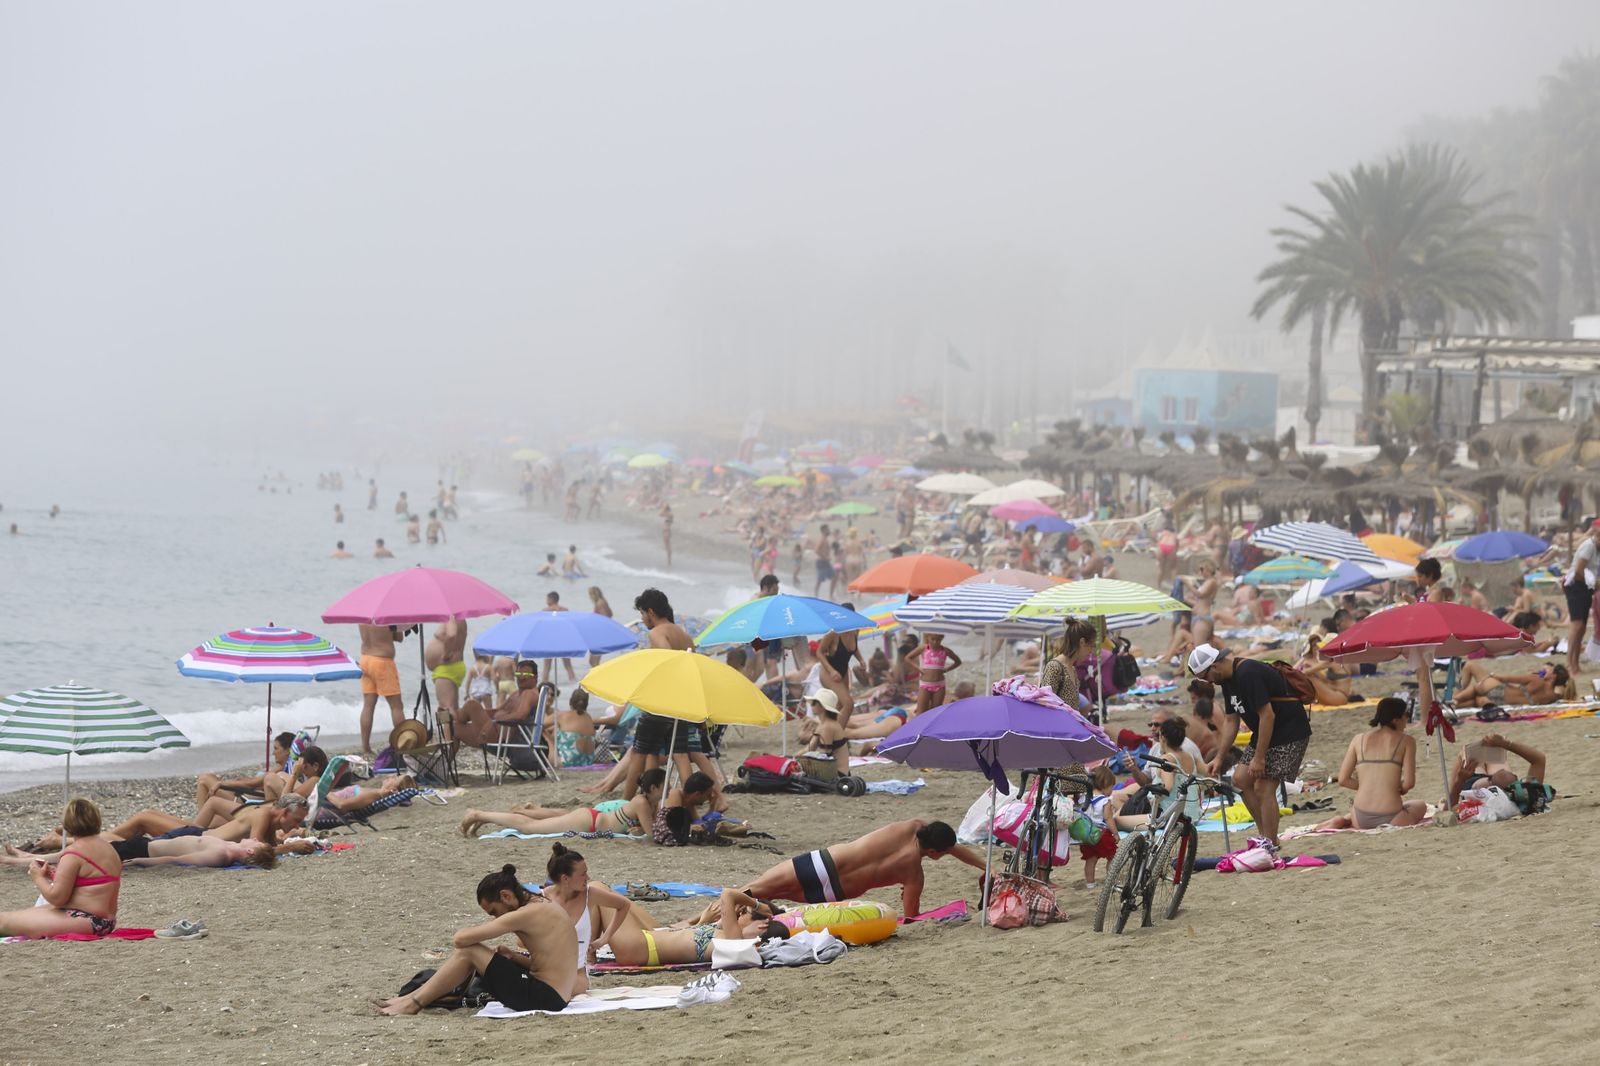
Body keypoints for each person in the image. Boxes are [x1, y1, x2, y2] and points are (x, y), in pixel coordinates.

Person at [375, 865, 577, 1015]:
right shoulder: (542, 903)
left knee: (469, 950)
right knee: (474, 951)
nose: (497, 918)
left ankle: (412, 1003)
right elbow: (550, 964)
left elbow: (460, 939)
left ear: (505, 895)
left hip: (545, 997)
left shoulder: (527, 913)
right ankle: (407, 999)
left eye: (494, 912)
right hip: (555, 995)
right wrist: (514, 957)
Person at [1189, 643, 1311, 854]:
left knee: (1264, 787)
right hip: (1267, 732)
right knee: (1240, 780)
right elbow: (1231, 721)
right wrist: (1219, 757)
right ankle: (1266, 836)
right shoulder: (1227, 681)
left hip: (1289, 732)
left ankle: (1270, 844)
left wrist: (1259, 758)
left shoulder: (1248, 673)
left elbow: (1267, 715)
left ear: (1215, 665)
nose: (1207, 682)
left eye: (1205, 676)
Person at [741, 819, 987, 918]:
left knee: (749, 891)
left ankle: (702, 921)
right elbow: (911, 917)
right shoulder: (913, 875)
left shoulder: (912, 825)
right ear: (934, 852)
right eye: (943, 853)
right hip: (832, 893)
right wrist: (986, 867)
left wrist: (986, 866)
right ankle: (705, 922)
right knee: (764, 898)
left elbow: (948, 844)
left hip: (822, 863)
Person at [0, 799, 122, 938]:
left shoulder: (74, 853)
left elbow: (57, 899)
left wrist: (38, 877)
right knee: (16, 916)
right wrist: (54, 876)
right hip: (107, 922)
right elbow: (92, 882)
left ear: (67, 826)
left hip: (87, 920)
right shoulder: (109, 849)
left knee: (3, 922)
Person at [1312, 698, 1426, 831]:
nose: (1408, 719)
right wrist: (1398, 787)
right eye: (1406, 714)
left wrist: (1368, 785)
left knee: (1358, 811)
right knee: (1420, 805)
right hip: (1392, 817)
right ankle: (1345, 820)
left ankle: (1344, 820)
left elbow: (1343, 780)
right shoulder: (1407, 741)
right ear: (1396, 720)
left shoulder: (1358, 739)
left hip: (1360, 817)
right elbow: (1409, 783)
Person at [608, 887, 787, 968]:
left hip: (640, 947)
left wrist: (755, 905)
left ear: (763, 924)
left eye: (743, 914)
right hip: (644, 943)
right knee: (610, 895)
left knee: (598, 890)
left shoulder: (737, 943)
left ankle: (588, 958)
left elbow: (727, 894)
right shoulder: (728, 938)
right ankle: (588, 957)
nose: (738, 915)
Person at [459, 768, 663, 838]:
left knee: (531, 826)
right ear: (653, 788)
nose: (668, 790)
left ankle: (484, 817)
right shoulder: (642, 803)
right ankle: (478, 814)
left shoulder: (644, 802)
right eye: (665, 786)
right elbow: (651, 836)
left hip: (590, 819)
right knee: (529, 828)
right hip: (588, 822)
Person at [538, 844, 634, 992]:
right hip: (545, 973)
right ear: (565, 878)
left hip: (577, 976)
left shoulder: (590, 895)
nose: (588, 878)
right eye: (583, 874)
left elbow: (624, 905)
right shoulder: (542, 898)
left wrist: (604, 939)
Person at [3, 833, 276, 871]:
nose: (253, 837)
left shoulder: (222, 856)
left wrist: (140, 862)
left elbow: (178, 859)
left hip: (142, 849)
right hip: (147, 841)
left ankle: (17, 859)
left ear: (251, 849)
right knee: (83, 848)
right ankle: (24, 857)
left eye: (256, 841)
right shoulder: (228, 846)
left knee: (80, 852)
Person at [194, 731, 300, 808]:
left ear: (288, 751)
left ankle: (201, 815)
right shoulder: (289, 768)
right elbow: (255, 783)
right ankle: (202, 817)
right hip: (248, 796)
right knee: (211, 778)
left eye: (276, 749)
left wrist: (221, 783)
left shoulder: (281, 769)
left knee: (205, 779)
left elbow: (250, 784)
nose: (273, 753)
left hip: (245, 800)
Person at [1448, 732, 1549, 799]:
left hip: (1474, 785)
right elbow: (1539, 759)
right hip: (1500, 784)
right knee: (1493, 753)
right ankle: (1500, 776)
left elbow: (1450, 808)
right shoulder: (1527, 798)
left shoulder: (1478, 805)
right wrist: (1505, 744)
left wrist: (1459, 781)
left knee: (1464, 752)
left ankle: (1450, 791)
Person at [358, 623, 407, 756]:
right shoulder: (386, 613)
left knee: (368, 705)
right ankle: (403, 744)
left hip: (365, 659)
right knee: (396, 706)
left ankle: (366, 747)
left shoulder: (363, 613)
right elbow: (399, 637)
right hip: (383, 661)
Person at [1561, 519, 1600, 678]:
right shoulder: (1589, 546)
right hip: (1576, 586)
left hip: (1584, 586)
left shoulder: (1596, 548)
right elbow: (1578, 571)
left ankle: (1575, 663)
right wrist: (1593, 584)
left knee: (1582, 627)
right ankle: (1570, 664)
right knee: (1576, 625)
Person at [1451, 664, 1574, 707]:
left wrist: (1491, 676)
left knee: (1470, 666)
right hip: (1502, 703)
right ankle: (1454, 706)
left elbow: (1506, 678)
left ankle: (1454, 699)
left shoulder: (1537, 680)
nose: (1545, 671)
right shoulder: (1553, 696)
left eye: (1549, 671)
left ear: (1554, 676)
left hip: (1499, 690)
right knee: (1477, 700)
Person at [426, 619, 468, 738]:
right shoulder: (460, 618)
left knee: (445, 708)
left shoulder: (452, 616)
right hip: (452, 667)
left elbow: (451, 634)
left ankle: (448, 741)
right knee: (453, 707)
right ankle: (454, 740)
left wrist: (445, 653)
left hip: (447, 668)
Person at [1041, 620, 1096, 712]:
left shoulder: (1072, 668)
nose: (1091, 651)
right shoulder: (1055, 667)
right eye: (1091, 645)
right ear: (1082, 642)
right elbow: (1046, 705)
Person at [906, 633, 963, 715]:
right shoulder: (924, 648)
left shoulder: (945, 650)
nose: (935, 642)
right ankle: (919, 727)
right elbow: (908, 658)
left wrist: (946, 669)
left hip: (939, 685)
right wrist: (919, 668)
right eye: (932, 639)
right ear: (927, 638)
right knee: (921, 712)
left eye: (938, 640)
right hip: (925, 684)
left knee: (936, 712)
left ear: (942, 638)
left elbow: (958, 662)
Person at [544, 687, 597, 769]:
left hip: (565, 763)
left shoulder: (561, 715)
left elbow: (538, 725)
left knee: (544, 733)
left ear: (570, 701)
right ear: (587, 704)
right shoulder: (588, 717)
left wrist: (549, 736)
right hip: (587, 762)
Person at [542, 592, 578, 682]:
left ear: (551, 599)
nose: (546, 601)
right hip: (562, 639)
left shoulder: (546, 611)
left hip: (550, 639)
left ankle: (544, 683)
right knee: (568, 664)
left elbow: (542, 627)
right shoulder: (565, 610)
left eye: (547, 599)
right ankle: (573, 682)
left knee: (547, 665)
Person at [812, 523, 837, 598]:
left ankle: (830, 595)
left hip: (825, 562)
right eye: (827, 529)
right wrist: (824, 557)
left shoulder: (825, 539)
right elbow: (816, 550)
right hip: (821, 562)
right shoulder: (822, 539)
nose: (829, 530)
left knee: (834, 577)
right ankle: (816, 595)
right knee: (820, 579)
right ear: (823, 531)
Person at [660, 502, 674, 568]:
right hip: (665, 531)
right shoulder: (666, 514)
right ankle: (668, 560)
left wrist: (664, 508)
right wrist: (663, 508)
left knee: (668, 546)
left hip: (667, 531)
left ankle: (669, 561)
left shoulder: (670, 514)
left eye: (665, 507)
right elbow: (660, 514)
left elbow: (662, 514)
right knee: (666, 546)